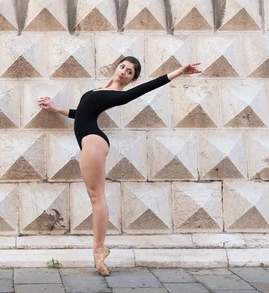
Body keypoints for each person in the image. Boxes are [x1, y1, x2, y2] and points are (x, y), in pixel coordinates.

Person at [38, 57, 201, 275]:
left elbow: (147, 87)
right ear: (117, 66)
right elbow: (81, 114)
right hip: (89, 139)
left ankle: (98, 249)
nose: (124, 71)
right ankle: (99, 249)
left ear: (132, 80)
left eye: (130, 72)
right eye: (123, 66)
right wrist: (56, 109)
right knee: (95, 196)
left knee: (97, 197)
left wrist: (179, 72)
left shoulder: (120, 95)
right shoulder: (99, 91)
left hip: (93, 140)